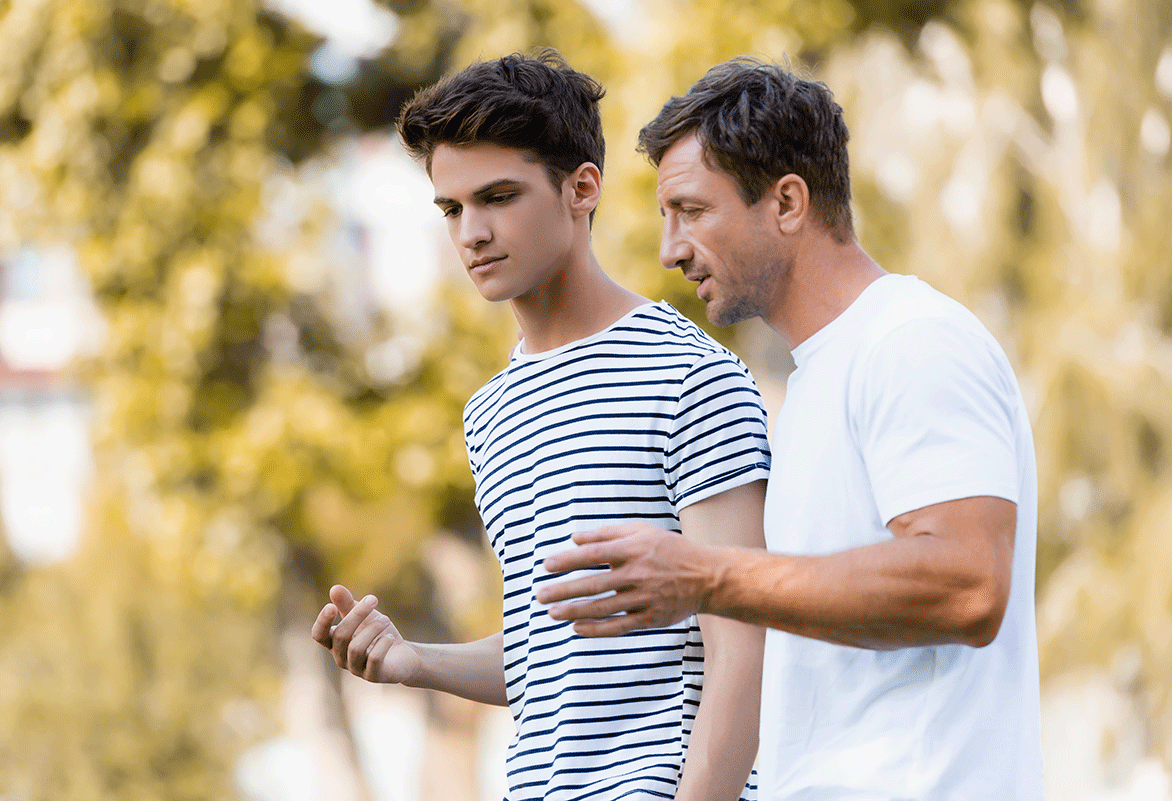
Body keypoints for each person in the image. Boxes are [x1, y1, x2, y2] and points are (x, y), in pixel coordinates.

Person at [538, 57, 1045, 800]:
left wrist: (706, 575)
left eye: (692, 211)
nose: (670, 249)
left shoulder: (912, 340)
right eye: (665, 217)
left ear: (786, 202)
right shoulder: (814, 382)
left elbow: (968, 582)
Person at [311, 50, 770, 801]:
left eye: (498, 196)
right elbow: (547, 655)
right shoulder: (490, 411)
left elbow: (744, 641)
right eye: (452, 208)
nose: (472, 233)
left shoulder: (689, 374)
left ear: (581, 188)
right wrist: (413, 659)